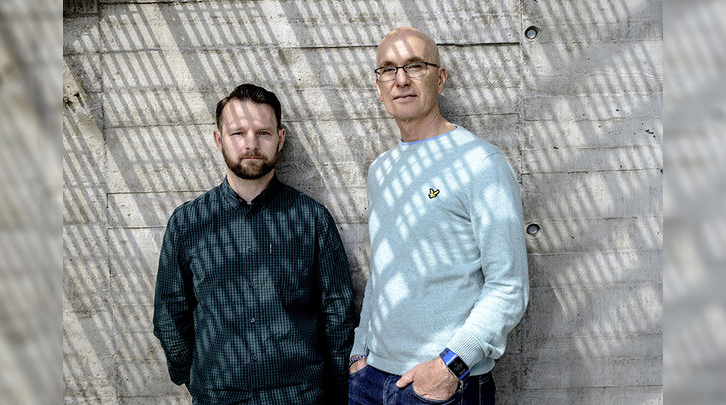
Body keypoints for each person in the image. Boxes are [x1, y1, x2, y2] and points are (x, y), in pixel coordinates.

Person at [348, 27, 529, 405]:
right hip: (370, 380)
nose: (400, 79)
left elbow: (509, 286)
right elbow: (381, 272)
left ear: (440, 78)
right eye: (387, 69)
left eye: (415, 65)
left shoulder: (481, 163)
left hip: (442, 387)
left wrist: (450, 366)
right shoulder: (380, 170)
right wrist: (359, 352)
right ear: (378, 85)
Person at [153, 83, 355, 404]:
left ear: (280, 138)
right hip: (218, 396)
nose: (251, 144)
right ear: (219, 140)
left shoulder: (311, 219)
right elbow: (170, 314)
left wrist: (331, 385)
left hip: (300, 396)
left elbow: (338, 312)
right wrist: (195, 377)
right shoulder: (187, 223)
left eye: (263, 133)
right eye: (238, 133)